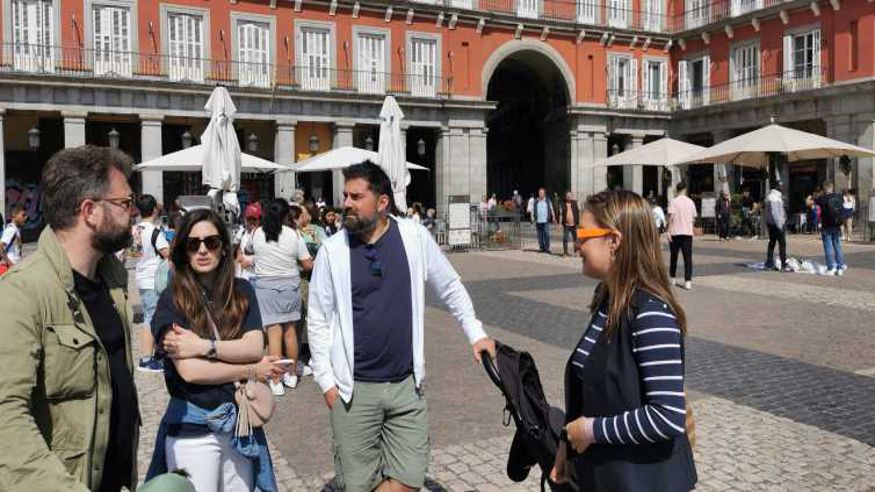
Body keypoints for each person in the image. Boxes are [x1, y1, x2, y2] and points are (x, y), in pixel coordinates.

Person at [308, 161, 495, 492]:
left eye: (356, 196)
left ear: (382, 203)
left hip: (407, 386)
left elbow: (450, 286)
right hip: (353, 390)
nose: (346, 203)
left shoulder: (413, 236)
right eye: (345, 195)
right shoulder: (333, 250)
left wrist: (475, 332)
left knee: (408, 479)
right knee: (357, 484)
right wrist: (327, 383)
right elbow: (318, 318)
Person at [0, 146, 139, 490]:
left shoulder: (112, 282)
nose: (133, 212)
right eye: (124, 203)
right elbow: (5, 417)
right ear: (90, 211)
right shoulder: (22, 292)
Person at [551, 190, 696, 491]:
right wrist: (568, 445)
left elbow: (668, 416)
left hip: (644, 481)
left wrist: (590, 431)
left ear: (614, 241)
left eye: (584, 235)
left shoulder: (650, 314)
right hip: (606, 476)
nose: (577, 244)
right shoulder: (609, 300)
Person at [146, 209, 285, 491]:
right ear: (183, 250)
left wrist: (202, 346)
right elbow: (190, 372)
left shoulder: (243, 291)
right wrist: (249, 369)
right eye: (193, 243)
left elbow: (254, 346)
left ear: (223, 248)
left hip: (240, 424)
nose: (202, 250)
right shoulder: (172, 299)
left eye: (211, 242)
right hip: (192, 428)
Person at [251, 199, 313, 395]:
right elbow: (307, 264)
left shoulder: (257, 233)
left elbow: (249, 252)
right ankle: (291, 374)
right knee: (290, 332)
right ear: (287, 216)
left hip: (266, 286)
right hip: (289, 285)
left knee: (273, 333)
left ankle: (276, 380)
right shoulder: (293, 235)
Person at [135, 194, 171, 372]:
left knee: (151, 315)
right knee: (150, 317)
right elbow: (168, 253)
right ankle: (145, 358)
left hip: (141, 276)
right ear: (155, 209)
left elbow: (130, 253)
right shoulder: (155, 232)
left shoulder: (136, 229)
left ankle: (155, 353)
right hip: (153, 279)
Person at [667, 182, 697, 290]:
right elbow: (693, 219)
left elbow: (670, 218)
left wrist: (668, 232)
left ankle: (673, 278)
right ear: (685, 189)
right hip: (688, 233)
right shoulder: (691, 202)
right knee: (687, 258)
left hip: (675, 232)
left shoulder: (673, 202)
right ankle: (688, 281)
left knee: (674, 256)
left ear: (677, 190)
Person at [815, 182, 847, 275]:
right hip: (837, 225)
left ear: (825, 189)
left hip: (826, 226)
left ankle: (831, 267)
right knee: (837, 246)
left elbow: (810, 201)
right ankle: (840, 266)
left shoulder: (822, 198)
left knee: (828, 247)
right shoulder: (839, 196)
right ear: (832, 188)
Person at [235, 202, 262, 280]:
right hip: (243, 276)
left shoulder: (263, 235)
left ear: (259, 220)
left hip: (257, 276)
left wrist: (250, 262)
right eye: (249, 219)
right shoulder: (241, 233)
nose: (251, 222)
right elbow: (237, 251)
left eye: (254, 219)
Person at [765, 188, 789, 272]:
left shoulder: (769, 197)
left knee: (772, 243)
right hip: (777, 225)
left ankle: (769, 264)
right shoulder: (775, 199)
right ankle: (783, 265)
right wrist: (780, 225)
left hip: (770, 224)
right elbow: (776, 213)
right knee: (782, 245)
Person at [0, 204, 27, 269]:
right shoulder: (11, 230)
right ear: (14, 215)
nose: (25, 217)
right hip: (10, 269)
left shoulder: (16, 229)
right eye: (23, 215)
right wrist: (11, 265)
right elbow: (0, 249)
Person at [559, 191, 580, 256]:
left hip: (574, 224)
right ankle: (565, 252)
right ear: (565, 197)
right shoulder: (562, 204)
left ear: (571, 197)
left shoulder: (575, 203)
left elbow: (578, 212)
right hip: (566, 225)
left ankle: (576, 251)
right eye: (567, 196)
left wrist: (579, 222)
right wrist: (560, 224)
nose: (568, 197)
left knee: (576, 238)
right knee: (565, 238)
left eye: (570, 196)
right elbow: (561, 214)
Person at [534, 187, 555, 253]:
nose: (540, 194)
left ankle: (547, 248)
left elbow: (551, 209)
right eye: (539, 193)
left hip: (545, 220)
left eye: (542, 193)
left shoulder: (548, 201)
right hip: (538, 220)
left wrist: (553, 216)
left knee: (546, 234)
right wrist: (532, 217)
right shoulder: (536, 201)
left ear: (544, 194)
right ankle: (542, 247)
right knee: (540, 235)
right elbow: (533, 210)